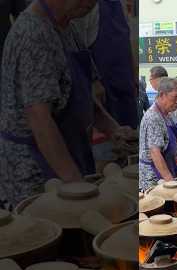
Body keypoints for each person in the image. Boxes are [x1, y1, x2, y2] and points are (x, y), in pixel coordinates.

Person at [0, 0, 128, 209]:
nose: (91, 4)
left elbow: (85, 95)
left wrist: (115, 130)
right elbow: (40, 120)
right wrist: (77, 185)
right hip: (35, 169)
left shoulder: (69, 26)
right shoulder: (33, 34)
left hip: (70, 150)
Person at [73, 0, 138, 128]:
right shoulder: (88, 6)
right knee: (111, 133)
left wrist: (134, 73)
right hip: (103, 84)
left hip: (125, 80)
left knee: (131, 131)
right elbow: (79, 48)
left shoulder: (121, 4)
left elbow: (127, 41)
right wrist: (93, 82)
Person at [139, 77, 177, 191]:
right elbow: (155, 153)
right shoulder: (153, 117)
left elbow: (172, 142)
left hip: (168, 167)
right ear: (162, 95)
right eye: (175, 97)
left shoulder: (167, 114)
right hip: (154, 178)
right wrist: (169, 180)